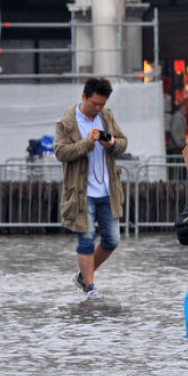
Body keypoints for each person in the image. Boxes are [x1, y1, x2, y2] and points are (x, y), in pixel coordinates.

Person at [55, 77, 129, 300]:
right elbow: (60, 152)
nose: (98, 108)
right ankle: (90, 287)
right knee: (86, 239)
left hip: (108, 190)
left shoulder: (106, 117)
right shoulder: (67, 122)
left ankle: (82, 276)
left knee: (112, 240)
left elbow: (124, 142)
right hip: (81, 192)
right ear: (84, 97)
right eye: (94, 104)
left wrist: (113, 143)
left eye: (102, 104)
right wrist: (87, 143)